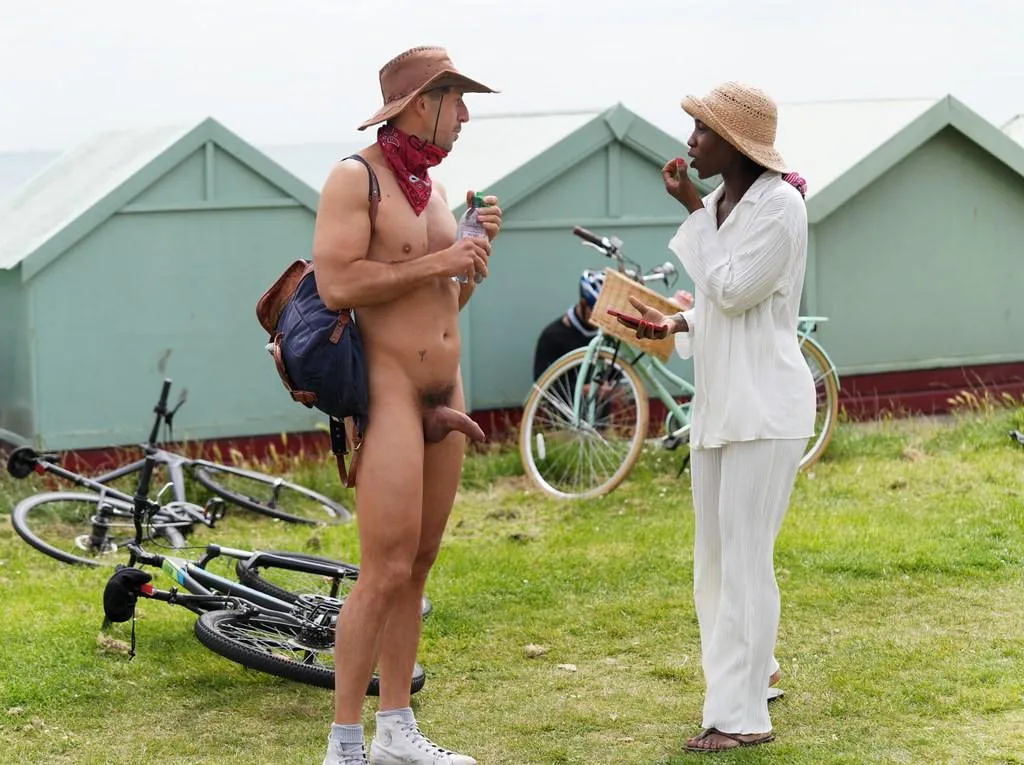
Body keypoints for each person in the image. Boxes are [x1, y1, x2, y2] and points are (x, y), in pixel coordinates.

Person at [312, 46, 502, 765]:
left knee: (419, 563)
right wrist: (440, 262)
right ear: (422, 101)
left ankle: (396, 729)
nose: (465, 116)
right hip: (388, 390)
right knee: (383, 567)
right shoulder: (353, 178)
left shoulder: (437, 190)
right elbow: (338, 284)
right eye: (457, 100)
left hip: (445, 390)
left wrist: (475, 257)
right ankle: (344, 742)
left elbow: (443, 299)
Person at [614, 82, 816, 752]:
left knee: (746, 562)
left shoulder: (781, 206)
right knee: (716, 562)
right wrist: (672, 320)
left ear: (734, 142)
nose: (690, 142)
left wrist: (693, 209)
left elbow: (733, 287)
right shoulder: (730, 205)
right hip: (723, 406)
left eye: (700, 130)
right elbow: (719, 303)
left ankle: (741, 715)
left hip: (766, 408)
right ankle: (753, 676)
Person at [532, 271, 694, 381]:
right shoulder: (552, 336)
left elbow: (617, 373)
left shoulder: (605, 334)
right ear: (583, 304)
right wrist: (585, 390)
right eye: (595, 308)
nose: (599, 313)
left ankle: (675, 310)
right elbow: (542, 382)